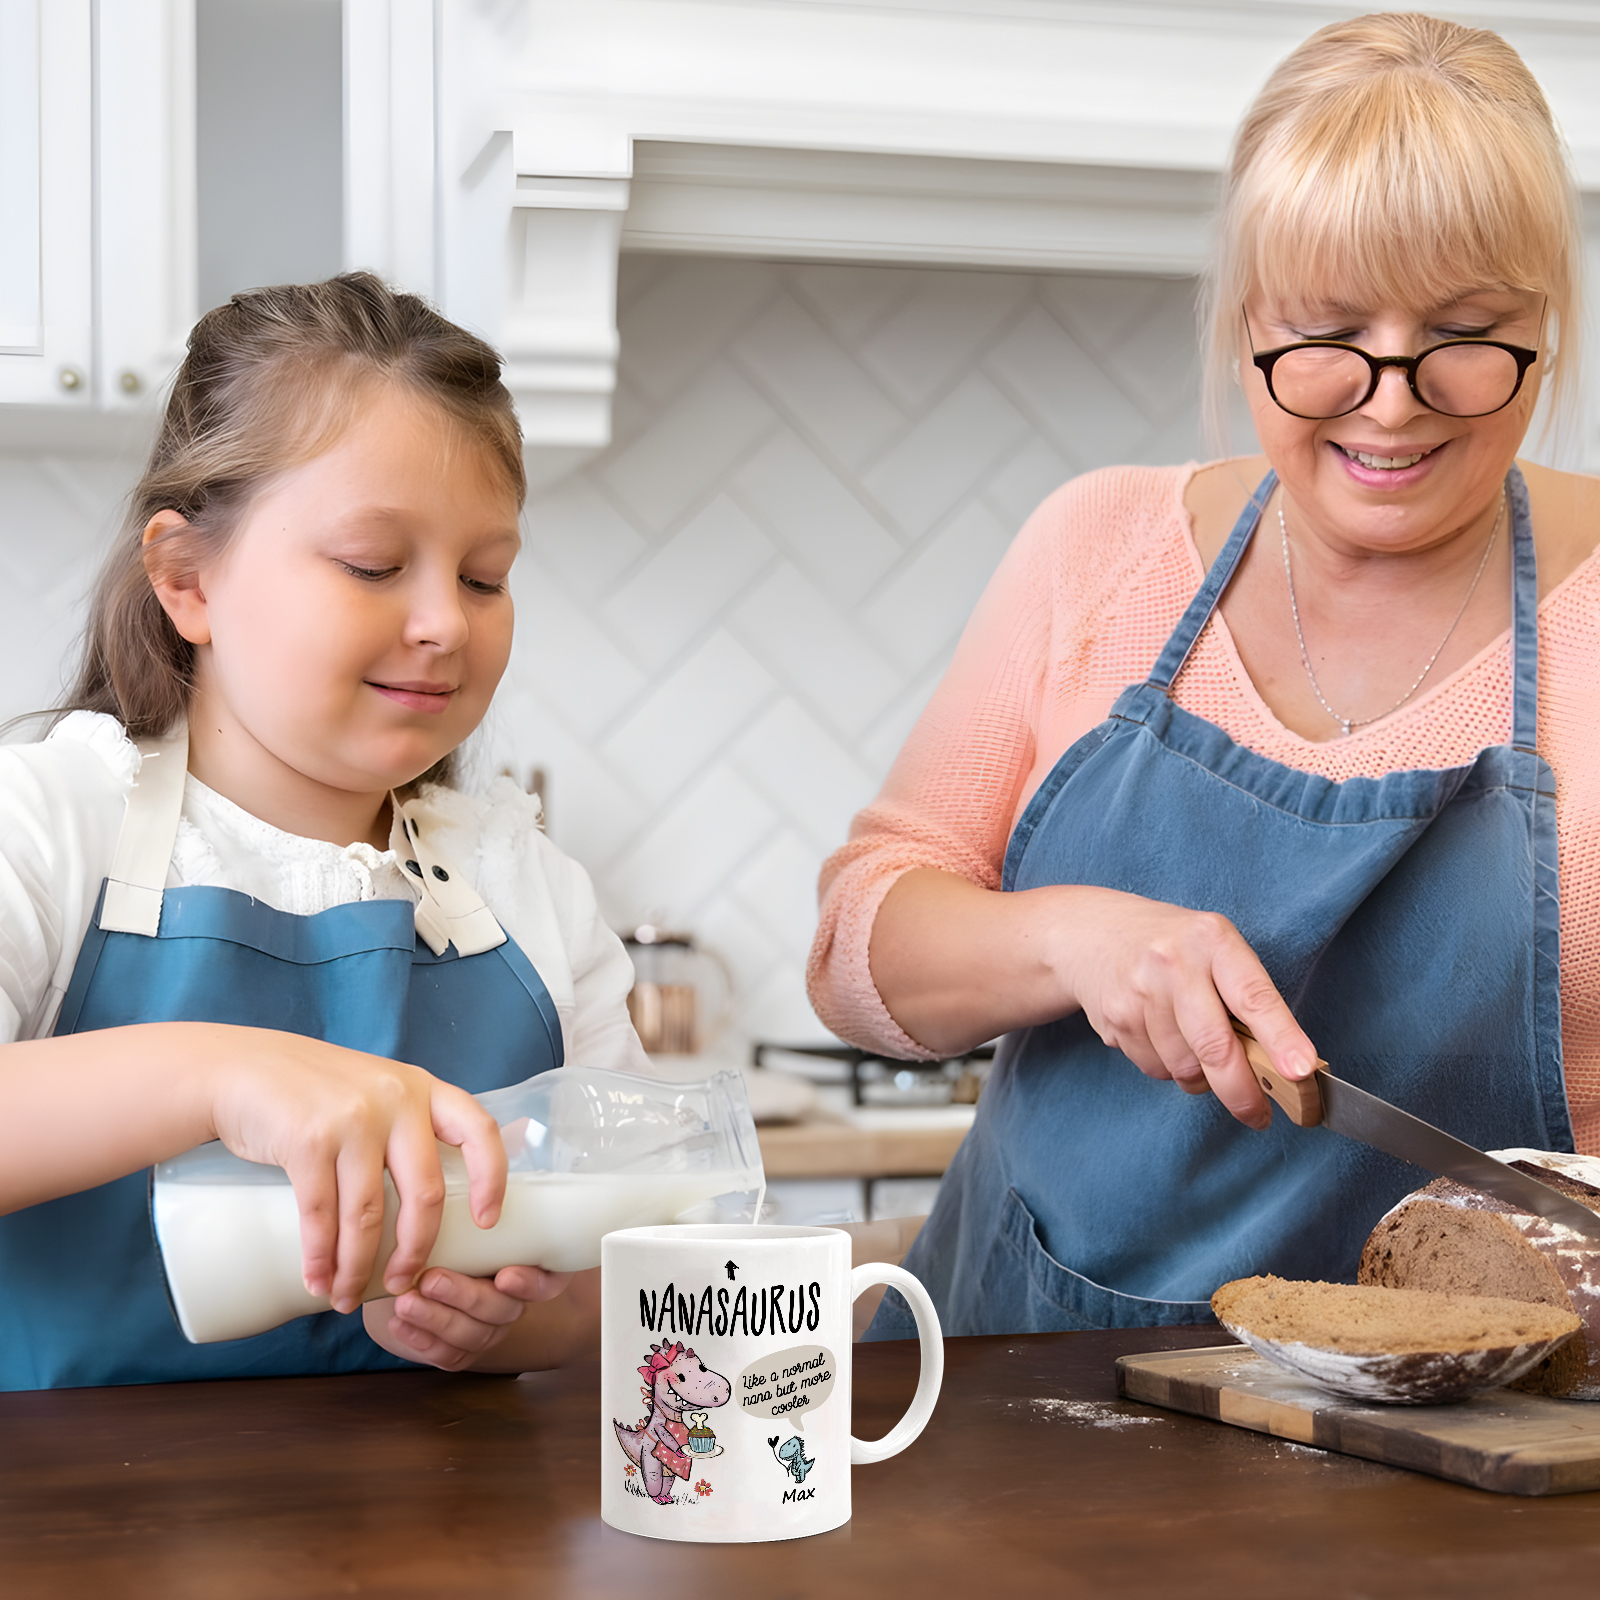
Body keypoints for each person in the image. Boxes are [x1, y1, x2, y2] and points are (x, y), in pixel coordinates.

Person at [808, 14, 1600, 1338]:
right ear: (1246, 327)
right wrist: (1071, 936)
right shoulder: (1096, 549)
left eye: (1465, 333)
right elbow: (853, 954)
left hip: (1456, 1458)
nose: (1390, 402)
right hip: (1011, 1397)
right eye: (1327, 333)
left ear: (1548, 324)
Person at [0, 273, 647, 1388]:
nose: (445, 621)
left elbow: (622, 1284)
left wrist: (512, 1325)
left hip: (442, 1544)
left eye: (485, 576)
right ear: (186, 578)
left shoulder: (528, 888)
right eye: (372, 565)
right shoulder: (52, 822)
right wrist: (221, 1076)